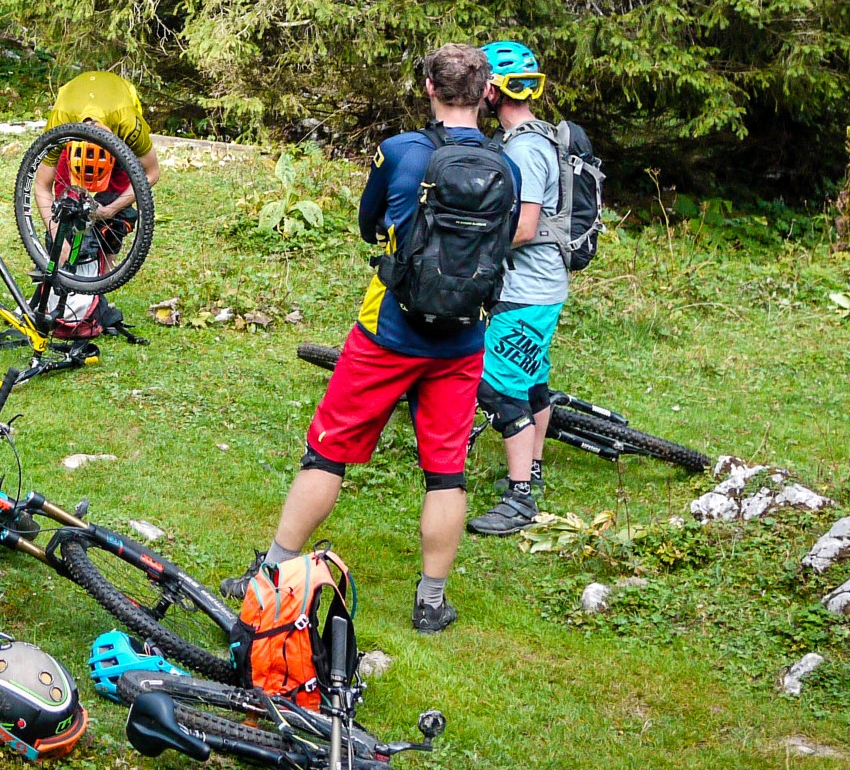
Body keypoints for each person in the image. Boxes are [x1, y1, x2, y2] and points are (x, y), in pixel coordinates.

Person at [222, 44, 494, 634]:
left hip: (388, 332)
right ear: (485, 93)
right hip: (462, 340)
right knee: (446, 472)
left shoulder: (400, 152)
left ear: (429, 87)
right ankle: (431, 602)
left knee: (328, 451)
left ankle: (270, 575)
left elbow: (369, 225)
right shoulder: (505, 167)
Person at [468, 40, 568, 536]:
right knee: (532, 385)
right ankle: (534, 467)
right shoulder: (532, 136)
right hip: (542, 286)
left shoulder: (525, 149)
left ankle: (520, 497)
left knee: (498, 387)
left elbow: (525, 228)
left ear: (493, 90)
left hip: (526, 289)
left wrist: (470, 247)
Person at [33, 71, 162, 336]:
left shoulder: (129, 125)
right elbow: (41, 185)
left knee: (115, 212)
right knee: (67, 208)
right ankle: (70, 287)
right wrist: (56, 232)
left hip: (117, 125)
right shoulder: (61, 123)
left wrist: (111, 210)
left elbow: (151, 173)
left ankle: (100, 283)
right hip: (73, 116)